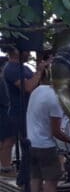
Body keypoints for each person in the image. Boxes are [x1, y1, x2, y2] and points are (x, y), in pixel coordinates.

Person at [25, 67, 70, 192]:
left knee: (35, 183)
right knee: (50, 184)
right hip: (45, 146)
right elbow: (56, 132)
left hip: (31, 143)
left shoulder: (38, 90)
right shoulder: (55, 99)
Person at [2, 45, 42, 175]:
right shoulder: (11, 69)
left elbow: (35, 85)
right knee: (11, 140)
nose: (29, 53)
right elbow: (28, 87)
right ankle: (7, 169)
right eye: (26, 50)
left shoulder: (24, 68)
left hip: (28, 110)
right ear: (15, 51)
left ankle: (29, 170)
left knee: (27, 141)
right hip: (17, 110)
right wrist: (39, 71)